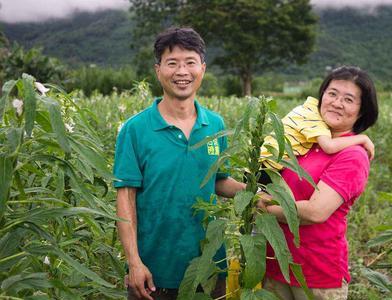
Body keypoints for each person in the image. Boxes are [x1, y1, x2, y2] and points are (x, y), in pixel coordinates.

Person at [113, 27, 244, 300]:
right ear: (158, 70)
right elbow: (125, 198)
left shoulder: (215, 125)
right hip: (153, 271)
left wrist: (254, 193)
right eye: (172, 63)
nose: (182, 72)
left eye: (190, 63)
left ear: (202, 69)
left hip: (209, 266)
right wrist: (134, 262)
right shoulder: (135, 129)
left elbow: (218, 180)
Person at [258, 66, 378, 300]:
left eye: (348, 99)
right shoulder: (304, 140)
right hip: (276, 266)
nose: (337, 103)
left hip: (317, 275)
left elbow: (315, 212)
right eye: (332, 94)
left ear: (361, 111)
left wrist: (260, 206)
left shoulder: (352, 155)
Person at [259, 95, 375, 171]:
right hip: (268, 168)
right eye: (332, 94)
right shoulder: (315, 119)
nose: (336, 105)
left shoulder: (305, 108)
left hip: (262, 160)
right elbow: (329, 146)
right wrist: (362, 138)